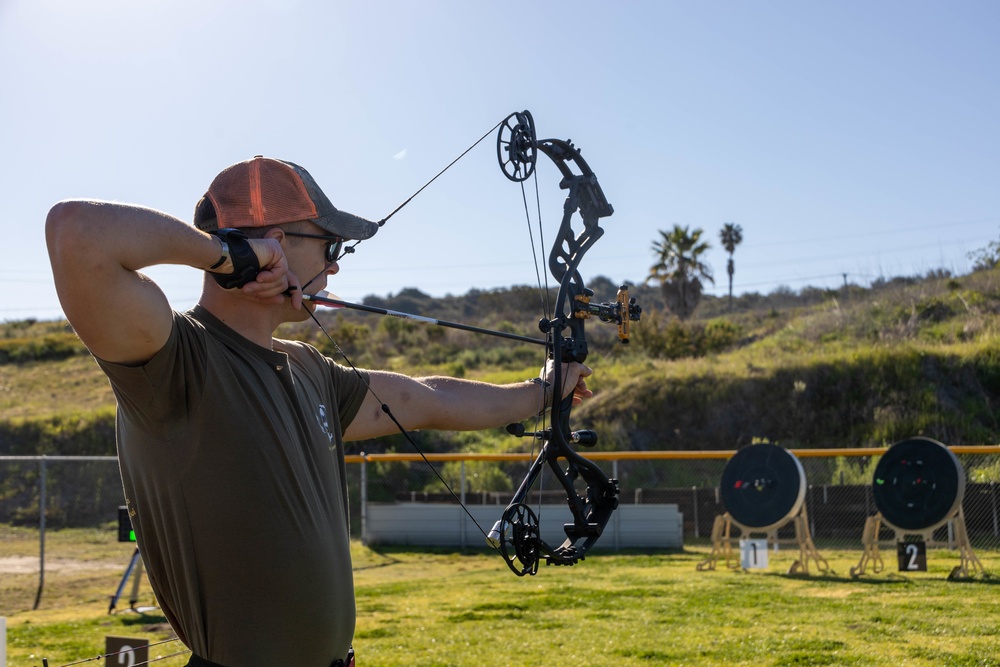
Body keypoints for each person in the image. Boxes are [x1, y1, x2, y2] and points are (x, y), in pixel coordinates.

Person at [45, 156, 592, 667]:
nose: (334, 267)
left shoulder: (310, 369)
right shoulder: (174, 359)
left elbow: (426, 397)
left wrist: (543, 390)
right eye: (329, 246)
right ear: (275, 243)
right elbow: (74, 232)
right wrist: (225, 255)